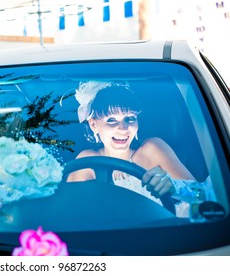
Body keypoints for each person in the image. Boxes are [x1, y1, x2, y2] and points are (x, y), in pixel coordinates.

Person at [68, 81, 214, 217]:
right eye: (111, 120)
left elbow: (202, 197)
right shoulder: (87, 161)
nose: (123, 128)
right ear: (94, 125)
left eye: (130, 118)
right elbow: (70, 212)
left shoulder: (152, 149)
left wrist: (175, 187)